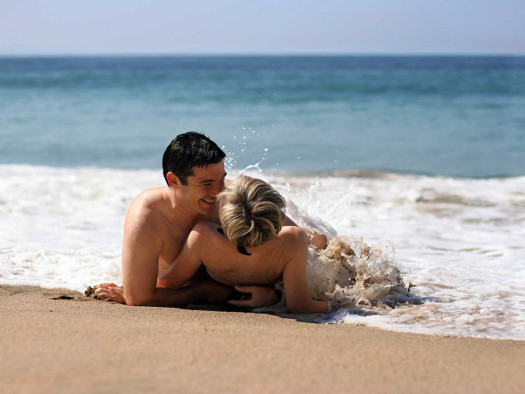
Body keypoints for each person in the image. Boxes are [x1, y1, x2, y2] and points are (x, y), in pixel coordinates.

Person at [95, 132, 326, 308]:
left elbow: (312, 247)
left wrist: (277, 296)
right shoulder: (148, 216)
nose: (218, 192)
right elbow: (140, 299)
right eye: (206, 184)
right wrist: (205, 291)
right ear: (173, 180)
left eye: (221, 179)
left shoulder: (233, 199)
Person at [157, 176, 329, 314]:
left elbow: (165, 286)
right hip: (273, 286)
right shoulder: (292, 239)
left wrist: (207, 291)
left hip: (228, 284)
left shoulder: (203, 237)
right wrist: (346, 308)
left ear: (222, 215)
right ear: (276, 219)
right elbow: (300, 306)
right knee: (321, 241)